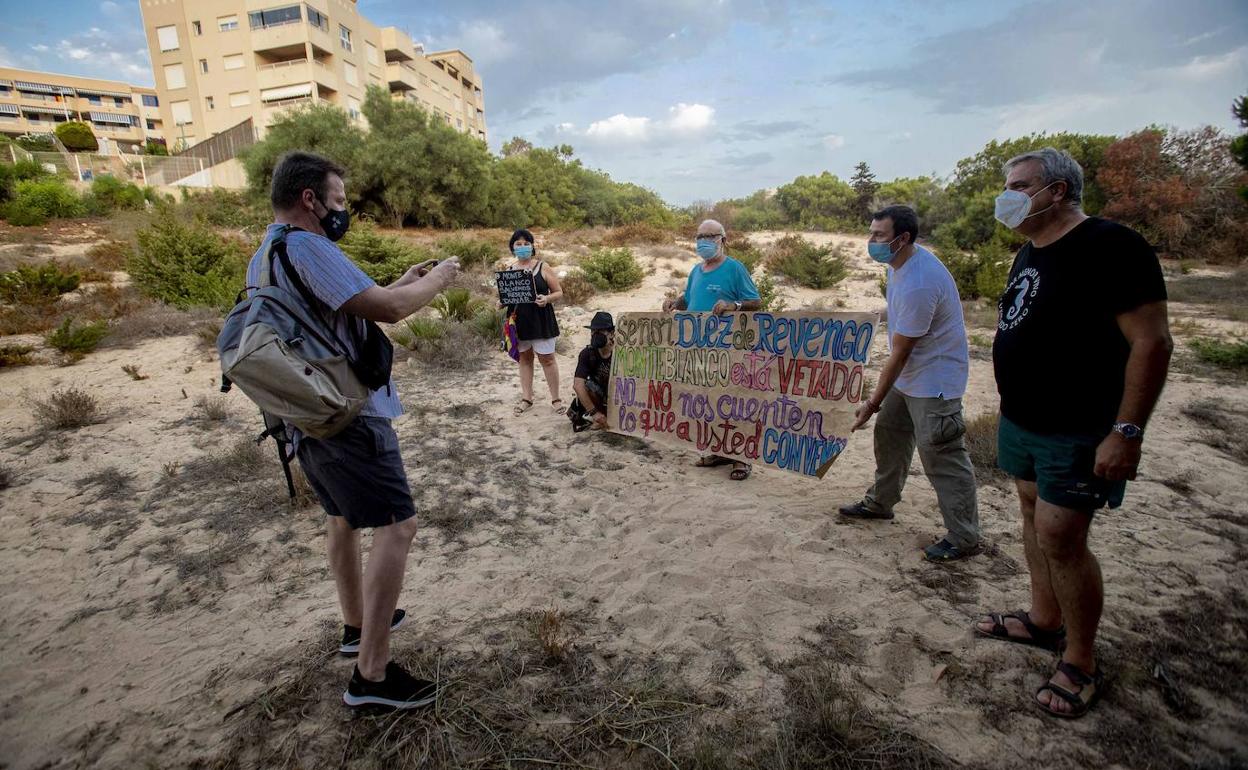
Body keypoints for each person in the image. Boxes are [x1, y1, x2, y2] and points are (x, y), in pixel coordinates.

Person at [248, 151, 460, 710]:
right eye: (339, 202)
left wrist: (400, 283)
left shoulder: (265, 254)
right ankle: (372, 675)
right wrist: (436, 280)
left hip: (304, 411)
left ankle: (355, 625)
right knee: (397, 525)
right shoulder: (308, 245)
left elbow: (344, 309)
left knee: (341, 517)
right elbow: (388, 311)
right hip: (346, 412)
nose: (344, 213)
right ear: (310, 201)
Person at [975, 148, 1172, 719]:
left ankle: (1081, 660)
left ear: (1056, 191)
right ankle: (1043, 620)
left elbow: (1152, 342)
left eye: (1018, 185)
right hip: (1024, 420)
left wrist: (1126, 432)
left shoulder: (1113, 246)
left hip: (1078, 425)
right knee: (1032, 511)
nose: (1006, 195)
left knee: (1061, 534)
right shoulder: (1028, 253)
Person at [839, 205, 981, 562]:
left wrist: (871, 403)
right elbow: (899, 314)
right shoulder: (900, 265)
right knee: (890, 436)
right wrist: (870, 317)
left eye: (879, 235)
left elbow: (900, 352)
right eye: (870, 233)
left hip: (934, 382)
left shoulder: (920, 280)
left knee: (941, 456)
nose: (871, 241)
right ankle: (880, 502)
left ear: (902, 239)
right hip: (908, 377)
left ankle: (964, 537)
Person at [661, 219, 761, 480]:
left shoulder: (735, 268)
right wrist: (675, 303)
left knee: (733, 403)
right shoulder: (696, 270)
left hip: (728, 350)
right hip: (698, 351)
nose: (703, 241)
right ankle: (719, 450)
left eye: (709, 236)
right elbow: (690, 299)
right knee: (708, 403)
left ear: (722, 240)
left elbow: (755, 301)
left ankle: (741, 458)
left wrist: (734, 305)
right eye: (699, 236)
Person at [505, 228, 565, 416]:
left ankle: (556, 399)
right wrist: (501, 302)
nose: (522, 247)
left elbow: (558, 292)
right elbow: (506, 296)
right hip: (519, 321)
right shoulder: (509, 270)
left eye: (526, 243)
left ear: (532, 246)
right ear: (513, 248)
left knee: (547, 359)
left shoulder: (543, 266)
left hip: (541, 319)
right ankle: (526, 398)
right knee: (524, 359)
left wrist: (546, 299)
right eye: (518, 244)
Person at [569, 311, 615, 432]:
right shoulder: (587, 354)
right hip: (599, 396)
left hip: (618, 395)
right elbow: (578, 385)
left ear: (611, 333)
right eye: (593, 331)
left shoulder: (621, 352)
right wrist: (594, 413)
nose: (595, 334)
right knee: (587, 385)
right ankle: (600, 417)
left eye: (600, 331)